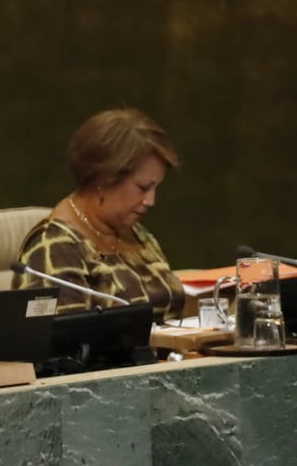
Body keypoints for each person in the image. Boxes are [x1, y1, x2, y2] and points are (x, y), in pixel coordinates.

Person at [14, 108, 189, 320]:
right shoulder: (55, 246)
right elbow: (67, 340)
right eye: (143, 188)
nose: (151, 201)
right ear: (104, 179)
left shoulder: (135, 232)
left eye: (155, 188)